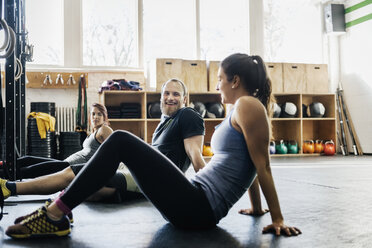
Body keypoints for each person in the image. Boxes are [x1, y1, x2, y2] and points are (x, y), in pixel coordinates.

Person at [6, 54, 301, 239]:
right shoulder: (242, 108)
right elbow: (249, 160)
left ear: (235, 80)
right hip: (193, 202)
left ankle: (56, 214)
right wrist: (257, 208)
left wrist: (277, 218)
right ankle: (61, 210)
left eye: (221, 79)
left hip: (198, 207)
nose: (217, 86)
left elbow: (261, 163)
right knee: (113, 150)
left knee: (120, 140)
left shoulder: (248, 105)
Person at [1, 78, 206, 203]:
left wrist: (209, 193)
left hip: (154, 177)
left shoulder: (187, 115)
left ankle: (10, 187)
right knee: (93, 189)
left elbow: (195, 155)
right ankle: (101, 194)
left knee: (74, 173)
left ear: (185, 99)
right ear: (160, 97)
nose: (170, 97)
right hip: (138, 171)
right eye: (166, 93)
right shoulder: (165, 121)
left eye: (176, 94)